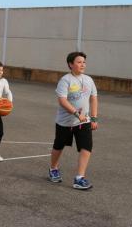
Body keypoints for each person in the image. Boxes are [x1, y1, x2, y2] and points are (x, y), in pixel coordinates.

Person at [48, 52, 99, 190]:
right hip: (65, 122)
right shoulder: (65, 80)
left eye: (84, 62)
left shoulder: (89, 80)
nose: (82, 64)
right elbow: (62, 100)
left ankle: (79, 178)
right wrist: (76, 113)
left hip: (84, 122)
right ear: (71, 64)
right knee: (58, 146)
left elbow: (93, 98)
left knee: (86, 147)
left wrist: (93, 117)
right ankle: (53, 168)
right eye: (79, 62)